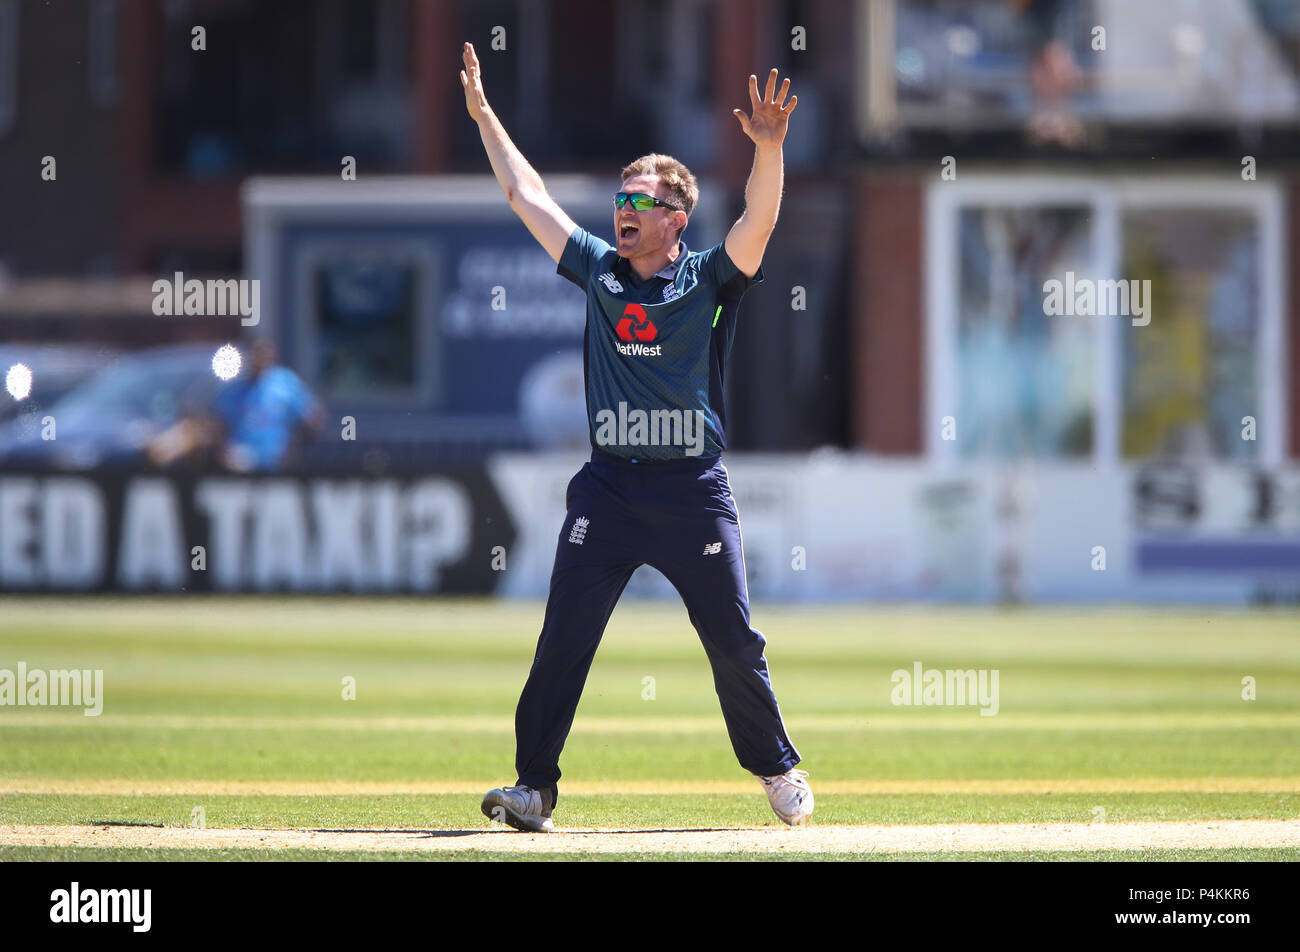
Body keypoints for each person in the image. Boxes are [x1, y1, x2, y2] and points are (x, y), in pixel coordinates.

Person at [461, 41, 810, 832]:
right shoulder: (599, 272)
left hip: (693, 490)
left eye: (641, 202)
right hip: (610, 489)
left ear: (676, 220)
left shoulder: (711, 278)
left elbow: (761, 217)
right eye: (621, 198)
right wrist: (486, 117)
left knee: (733, 642)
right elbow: (526, 194)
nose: (624, 210)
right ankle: (534, 790)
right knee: (563, 640)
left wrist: (770, 150)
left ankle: (777, 767)